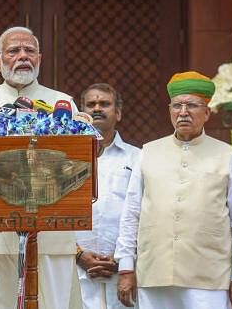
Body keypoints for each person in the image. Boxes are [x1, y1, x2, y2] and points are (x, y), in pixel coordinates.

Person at [0, 26, 82, 309]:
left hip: (51, 238)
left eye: (29, 50)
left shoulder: (62, 104)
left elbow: (80, 166)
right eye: (13, 51)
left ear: (40, 58)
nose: (23, 56)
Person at [114, 71, 232, 309]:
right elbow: (131, 214)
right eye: (177, 105)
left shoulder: (226, 155)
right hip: (154, 271)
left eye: (192, 105)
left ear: (207, 113)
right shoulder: (147, 153)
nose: (183, 112)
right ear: (169, 110)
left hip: (209, 275)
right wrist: (126, 267)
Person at [76, 83, 140, 309]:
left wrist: (123, 259)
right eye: (90, 104)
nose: (97, 109)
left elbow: (144, 214)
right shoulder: (65, 158)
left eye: (104, 104)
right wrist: (79, 255)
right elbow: (53, 213)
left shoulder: (138, 159)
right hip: (74, 268)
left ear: (118, 113)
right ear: (80, 114)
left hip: (124, 270)